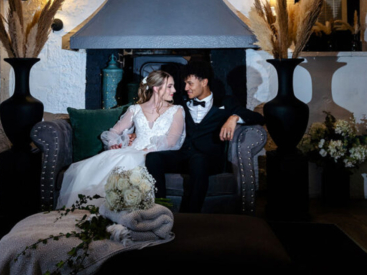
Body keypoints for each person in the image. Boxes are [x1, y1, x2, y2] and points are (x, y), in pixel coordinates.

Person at [145, 61, 265, 213]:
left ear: (204, 82)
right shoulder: (179, 101)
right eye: (185, 83)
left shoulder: (225, 102)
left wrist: (233, 117)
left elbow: (258, 118)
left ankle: (191, 215)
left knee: (198, 160)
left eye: (190, 83)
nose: (186, 88)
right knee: (153, 158)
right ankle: (160, 211)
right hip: (183, 156)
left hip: (209, 161)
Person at [56, 71, 185, 209]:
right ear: (156, 88)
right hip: (132, 150)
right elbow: (113, 132)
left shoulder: (177, 110)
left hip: (156, 154)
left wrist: (147, 150)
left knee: (130, 161)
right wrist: (114, 143)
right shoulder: (135, 109)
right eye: (169, 86)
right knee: (92, 169)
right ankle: (95, 211)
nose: (174, 90)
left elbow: (172, 141)